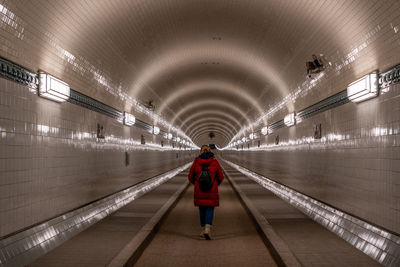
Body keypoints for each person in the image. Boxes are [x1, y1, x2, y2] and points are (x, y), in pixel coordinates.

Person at [188, 145, 224, 240]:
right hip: (212, 189)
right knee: (209, 208)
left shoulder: (196, 162)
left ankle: (203, 228)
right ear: (210, 151)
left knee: (202, 209)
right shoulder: (215, 162)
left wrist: (196, 183)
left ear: (200, 151)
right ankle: (207, 229)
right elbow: (221, 176)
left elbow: (190, 176)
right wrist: (216, 184)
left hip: (199, 189)